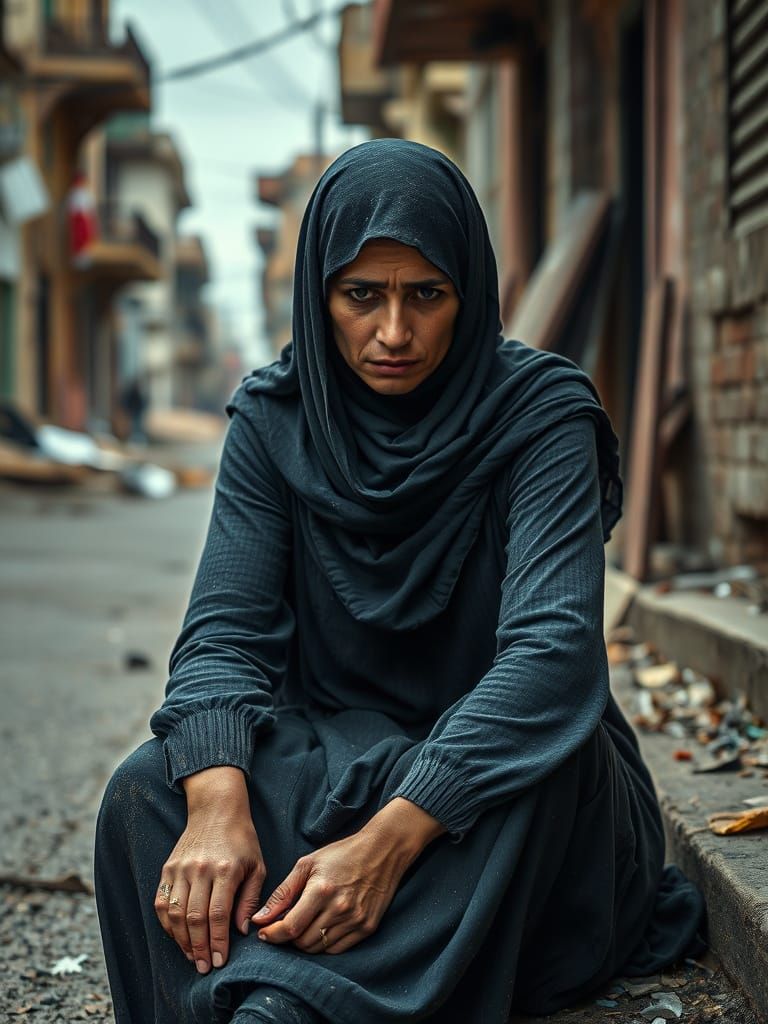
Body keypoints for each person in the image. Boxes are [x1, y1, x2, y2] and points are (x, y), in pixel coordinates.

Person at [94, 139, 704, 1024]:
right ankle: (300, 992)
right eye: (360, 296)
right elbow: (223, 634)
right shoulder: (274, 420)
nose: (392, 332)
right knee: (150, 791)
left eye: (426, 294)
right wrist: (218, 805)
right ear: (319, 295)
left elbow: (553, 656)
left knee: (541, 773)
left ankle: (278, 1003)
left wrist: (388, 841)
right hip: (339, 758)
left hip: (497, 776)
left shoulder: (541, 416)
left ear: (469, 289)